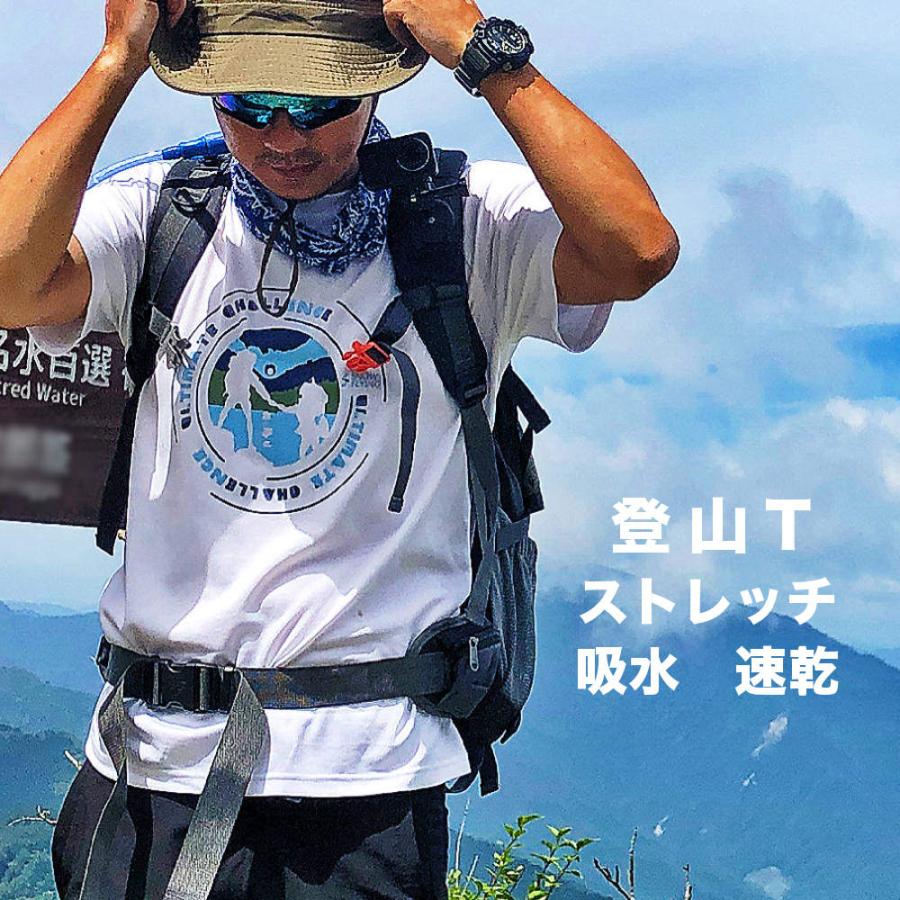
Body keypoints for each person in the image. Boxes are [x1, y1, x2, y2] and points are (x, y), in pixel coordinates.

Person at [0, 0, 679, 897]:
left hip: (367, 784)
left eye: (321, 103)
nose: (284, 135)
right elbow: (8, 283)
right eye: (248, 102)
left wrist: (484, 52)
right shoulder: (163, 210)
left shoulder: (466, 221)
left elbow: (638, 251)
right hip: (145, 767)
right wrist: (115, 61)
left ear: (376, 88)